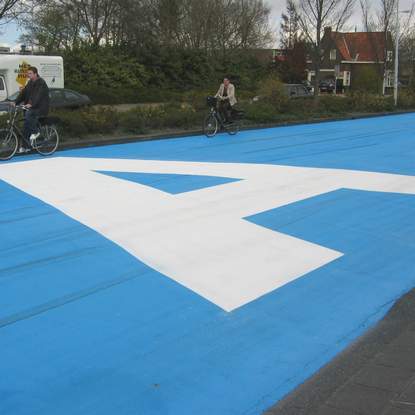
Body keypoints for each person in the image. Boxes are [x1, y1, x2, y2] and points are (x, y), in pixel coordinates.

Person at [14, 66, 50, 151]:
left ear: (35, 74)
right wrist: (15, 102)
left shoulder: (41, 82)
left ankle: (36, 132)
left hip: (41, 108)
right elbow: (23, 93)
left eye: (30, 73)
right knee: (26, 125)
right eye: (27, 73)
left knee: (29, 114)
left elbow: (38, 95)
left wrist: (31, 104)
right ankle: (25, 146)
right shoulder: (30, 83)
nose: (28, 75)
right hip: (33, 107)